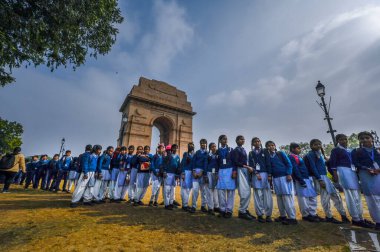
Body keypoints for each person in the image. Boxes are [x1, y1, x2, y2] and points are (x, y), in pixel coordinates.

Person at [306, 139, 347, 223]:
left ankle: (343, 215)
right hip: (319, 177)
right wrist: (320, 179)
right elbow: (313, 167)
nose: (317, 146)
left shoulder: (320, 154)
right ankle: (329, 216)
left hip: (325, 176)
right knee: (325, 197)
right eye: (315, 144)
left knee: (335, 195)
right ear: (311, 146)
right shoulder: (310, 154)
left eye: (319, 144)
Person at [330, 134, 365, 226]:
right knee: (350, 194)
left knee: (357, 194)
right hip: (342, 171)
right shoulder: (335, 150)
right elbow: (332, 163)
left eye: (345, 139)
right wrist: (335, 175)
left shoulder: (349, 150)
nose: (344, 141)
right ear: (337, 141)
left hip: (352, 172)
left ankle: (361, 217)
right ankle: (355, 218)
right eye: (341, 139)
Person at [352, 131, 380, 230]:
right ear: (359, 140)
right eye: (362, 138)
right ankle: (378, 222)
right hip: (366, 175)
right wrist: (366, 168)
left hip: (378, 173)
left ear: (372, 139)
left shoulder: (377, 150)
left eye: (367, 137)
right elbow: (355, 163)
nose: (365, 140)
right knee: (372, 199)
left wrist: (378, 169)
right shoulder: (356, 151)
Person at [266, 141, 297, 225]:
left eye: (272, 145)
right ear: (266, 148)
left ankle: (292, 218)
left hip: (284, 177)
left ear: (275, 146)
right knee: (279, 197)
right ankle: (283, 216)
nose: (271, 147)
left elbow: (289, 164)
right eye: (269, 146)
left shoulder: (280, 153)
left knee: (287, 197)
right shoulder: (268, 157)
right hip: (275, 178)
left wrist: (288, 174)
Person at [288, 143, 319, 223]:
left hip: (307, 178)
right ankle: (305, 215)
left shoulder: (299, 157)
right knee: (303, 198)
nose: (300, 150)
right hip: (301, 179)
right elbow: (295, 169)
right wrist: (300, 180)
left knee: (311, 196)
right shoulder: (291, 157)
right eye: (298, 148)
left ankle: (313, 213)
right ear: (292, 149)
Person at [248, 137, 273, 223]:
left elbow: (268, 163)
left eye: (258, 141)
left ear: (260, 142)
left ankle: (268, 215)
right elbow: (251, 165)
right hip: (256, 176)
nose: (257, 143)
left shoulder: (265, 151)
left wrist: (269, 175)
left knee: (267, 196)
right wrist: (256, 173)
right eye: (255, 142)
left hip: (265, 174)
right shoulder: (251, 153)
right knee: (258, 195)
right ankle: (259, 214)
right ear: (252, 144)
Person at [233, 135, 255, 220]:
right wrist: (247, 167)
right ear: (237, 141)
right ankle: (242, 211)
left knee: (248, 191)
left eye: (243, 139)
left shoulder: (243, 149)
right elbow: (236, 162)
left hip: (245, 170)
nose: (243, 140)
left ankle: (244, 209)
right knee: (244, 192)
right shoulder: (236, 150)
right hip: (240, 170)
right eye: (241, 139)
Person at [216, 135, 236, 218]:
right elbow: (216, 162)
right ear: (220, 141)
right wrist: (217, 172)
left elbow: (234, 161)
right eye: (223, 139)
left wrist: (234, 171)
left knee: (230, 191)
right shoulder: (218, 151)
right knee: (221, 191)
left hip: (230, 170)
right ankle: (222, 210)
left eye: (226, 139)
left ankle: (229, 210)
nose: (225, 140)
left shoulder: (231, 149)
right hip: (221, 171)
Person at [190, 139, 208, 213]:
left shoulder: (207, 153)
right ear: (200, 144)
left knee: (203, 191)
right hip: (196, 171)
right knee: (195, 190)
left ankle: (203, 206)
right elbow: (193, 162)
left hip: (203, 173)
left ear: (206, 144)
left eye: (204, 143)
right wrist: (194, 171)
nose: (203, 144)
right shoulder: (197, 152)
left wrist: (203, 172)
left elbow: (206, 164)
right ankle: (193, 206)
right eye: (202, 143)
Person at [163, 144, 181, 210]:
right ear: (171, 149)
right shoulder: (167, 156)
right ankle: (166, 204)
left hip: (174, 175)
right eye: (173, 148)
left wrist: (177, 175)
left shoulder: (178, 157)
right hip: (168, 174)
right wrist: (164, 172)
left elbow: (179, 166)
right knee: (167, 189)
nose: (175, 149)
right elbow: (163, 164)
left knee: (172, 190)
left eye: (176, 148)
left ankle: (171, 203)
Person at [205, 142, 220, 215]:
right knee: (209, 191)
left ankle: (216, 206)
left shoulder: (218, 155)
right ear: (210, 148)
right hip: (209, 173)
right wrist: (205, 175)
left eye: (215, 146)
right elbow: (205, 165)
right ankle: (210, 208)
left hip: (216, 173)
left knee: (216, 191)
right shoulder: (208, 155)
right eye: (213, 147)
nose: (214, 148)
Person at [180, 142, 195, 211]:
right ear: (188, 147)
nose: (191, 147)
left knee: (189, 189)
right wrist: (183, 173)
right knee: (184, 189)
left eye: (192, 146)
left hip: (192, 173)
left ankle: (186, 204)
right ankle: (184, 205)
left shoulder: (194, 155)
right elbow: (182, 163)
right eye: (189, 146)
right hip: (186, 172)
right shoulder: (185, 154)